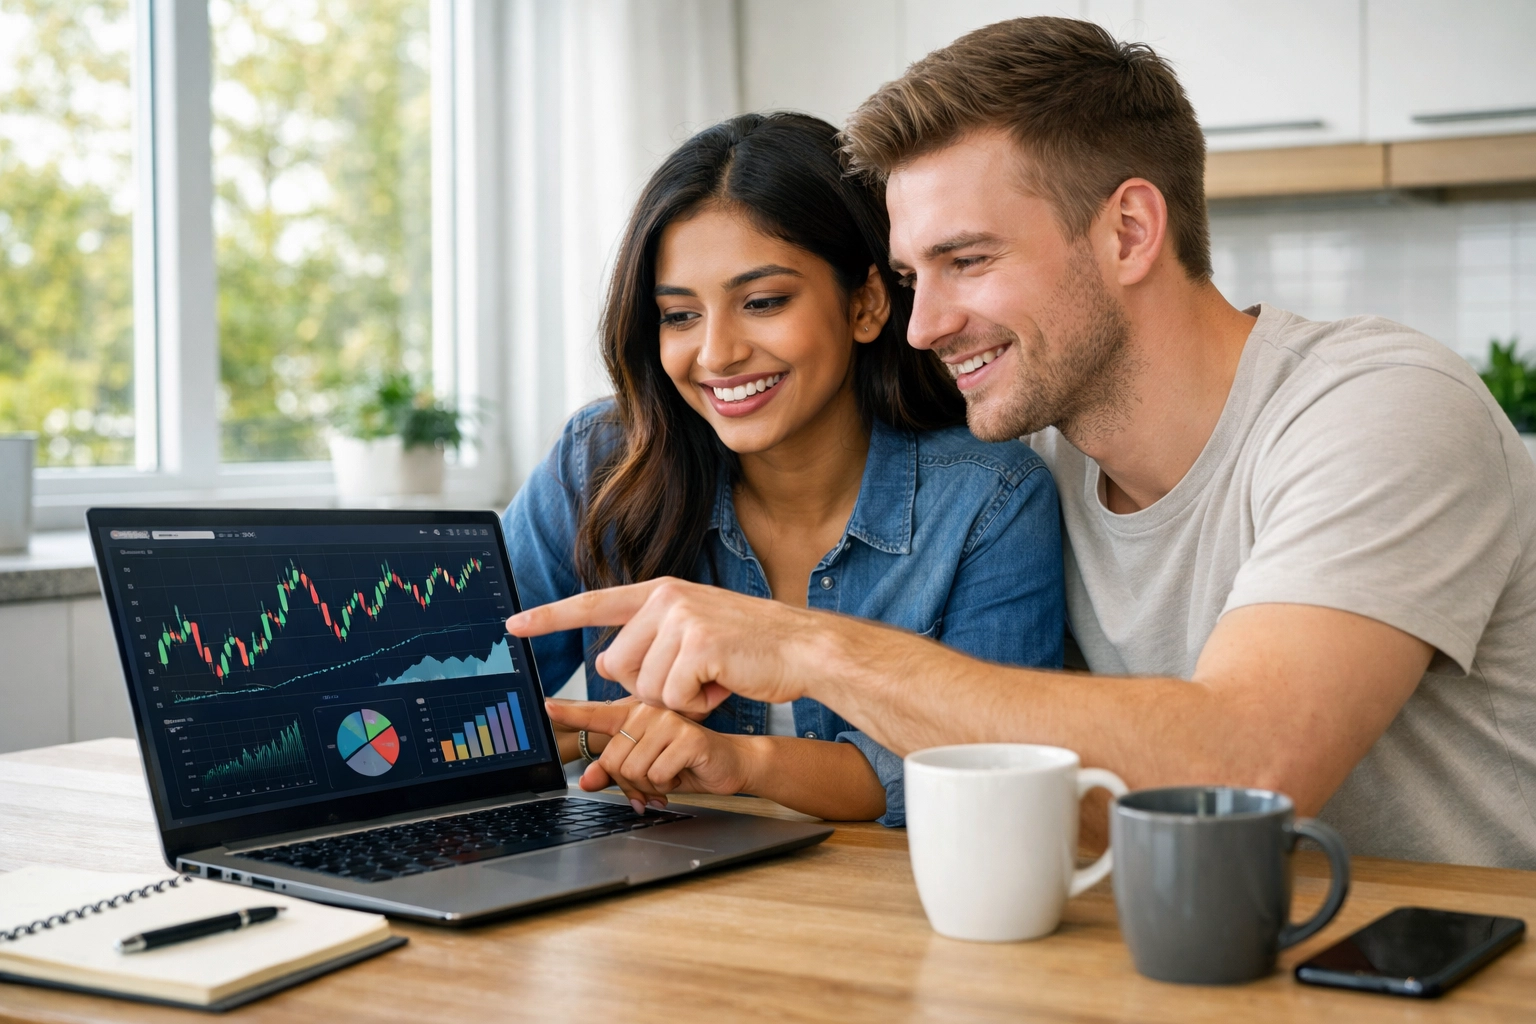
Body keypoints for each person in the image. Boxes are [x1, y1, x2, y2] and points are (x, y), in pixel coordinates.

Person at [508, 17, 1536, 869]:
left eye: (968, 260)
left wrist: (806, 646)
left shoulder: (1379, 409)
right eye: (915, 277)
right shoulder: (1052, 468)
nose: (921, 326)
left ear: (1130, 231)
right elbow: (1071, 802)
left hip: (1452, 959)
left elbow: (1242, 773)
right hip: (1210, 951)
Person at [502, 112, 1064, 825]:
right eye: (678, 316)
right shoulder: (603, 463)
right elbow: (464, 711)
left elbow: (988, 766)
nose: (717, 353)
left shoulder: (990, 498)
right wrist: (592, 737)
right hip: (642, 903)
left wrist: (738, 763)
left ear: (865, 302)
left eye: (763, 302)